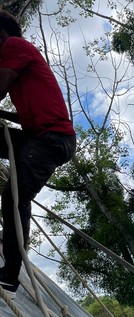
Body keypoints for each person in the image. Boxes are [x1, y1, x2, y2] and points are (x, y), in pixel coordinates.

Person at [0, 10, 76, 298]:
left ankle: (10, 272)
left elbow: (1, 83)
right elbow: (29, 113)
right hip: (38, 135)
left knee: (14, 195)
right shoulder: (18, 59)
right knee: (16, 193)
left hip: (51, 139)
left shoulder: (14, 46)